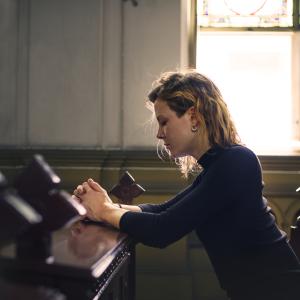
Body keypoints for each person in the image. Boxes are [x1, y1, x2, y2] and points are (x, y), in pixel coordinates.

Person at [73, 71, 300, 300]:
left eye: (164, 122)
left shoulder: (237, 161)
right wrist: (103, 206)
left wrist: (103, 210)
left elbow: (163, 228)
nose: (159, 134)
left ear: (193, 116)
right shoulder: (219, 165)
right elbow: (161, 210)